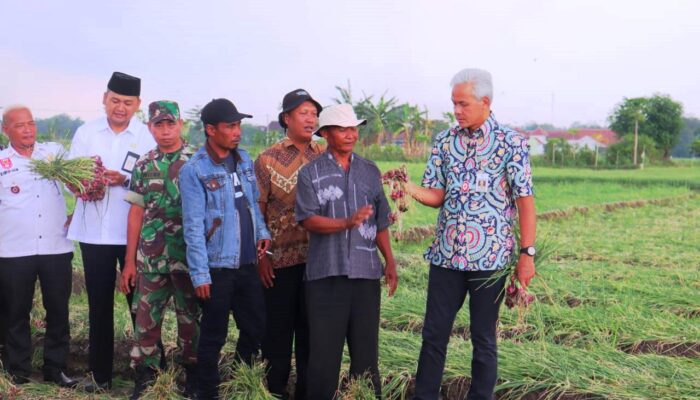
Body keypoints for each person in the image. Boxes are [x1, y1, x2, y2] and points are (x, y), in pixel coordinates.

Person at [408, 68, 536, 400]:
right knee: (434, 335)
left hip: (490, 260)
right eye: (454, 104)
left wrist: (527, 256)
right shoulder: (445, 140)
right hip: (446, 257)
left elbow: (525, 201)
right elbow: (436, 196)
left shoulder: (510, 142)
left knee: (483, 338)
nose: (457, 111)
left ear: (485, 101)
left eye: (463, 104)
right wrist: (408, 188)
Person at [295, 103, 399, 400]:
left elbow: (380, 221)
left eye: (353, 128)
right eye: (342, 129)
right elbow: (307, 219)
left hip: (366, 274)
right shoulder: (310, 173)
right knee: (324, 359)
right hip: (326, 275)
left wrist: (389, 261)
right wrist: (345, 222)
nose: (351, 134)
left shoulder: (369, 171)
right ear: (325, 133)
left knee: (366, 357)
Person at [67, 71, 159, 392]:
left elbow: (154, 183)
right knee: (99, 306)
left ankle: (148, 376)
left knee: (141, 306)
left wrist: (124, 179)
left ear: (138, 105)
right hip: (94, 234)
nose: (120, 107)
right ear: (104, 99)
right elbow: (71, 175)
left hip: (134, 235)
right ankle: (99, 376)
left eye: (127, 102)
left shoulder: (146, 138)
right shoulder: (86, 133)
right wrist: (85, 182)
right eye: (115, 100)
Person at [179, 98, 271, 400]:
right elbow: (192, 226)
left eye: (238, 125)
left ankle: (240, 382)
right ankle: (208, 392)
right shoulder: (194, 170)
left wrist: (262, 232)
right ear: (210, 130)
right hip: (217, 267)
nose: (237, 132)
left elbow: (253, 204)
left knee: (255, 327)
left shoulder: (244, 159)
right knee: (213, 336)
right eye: (230, 126)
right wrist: (200, 274)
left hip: (246, 264)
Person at [119, 101, 200, 400]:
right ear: (150, 127)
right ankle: (147, 378)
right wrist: (129, 262)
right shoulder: (143, 164)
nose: (165, 131)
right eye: (158, 125)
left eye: (170, 124)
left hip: (189, 259)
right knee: (145, 320)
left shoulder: (197, 160)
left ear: (180, 124)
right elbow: (136, 213)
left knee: (190, 320)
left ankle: (192, 378)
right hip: (151, 259)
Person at [0, 106, 77, 387]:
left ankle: (55, 369)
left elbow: (79, 186)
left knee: (58, 310)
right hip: (12, 250)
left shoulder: (54, 154)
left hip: (55, 247)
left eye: (31, 123)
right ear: (5, 130)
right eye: (20, 125)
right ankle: (17, 369)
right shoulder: (1, 162)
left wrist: (76, 212)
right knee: (14, 312)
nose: (28, 129)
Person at [254, 89, 324, 399]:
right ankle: (275, 390)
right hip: (278, 261)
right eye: (304, 113)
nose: (311, 119)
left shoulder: (324, 155)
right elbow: (257, 212)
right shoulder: (267, 159)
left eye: (314, 113)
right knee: (277, 332)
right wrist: (261, 256)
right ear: (287, 118)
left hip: (318, 260)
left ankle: (308, 391)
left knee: (312, 331)